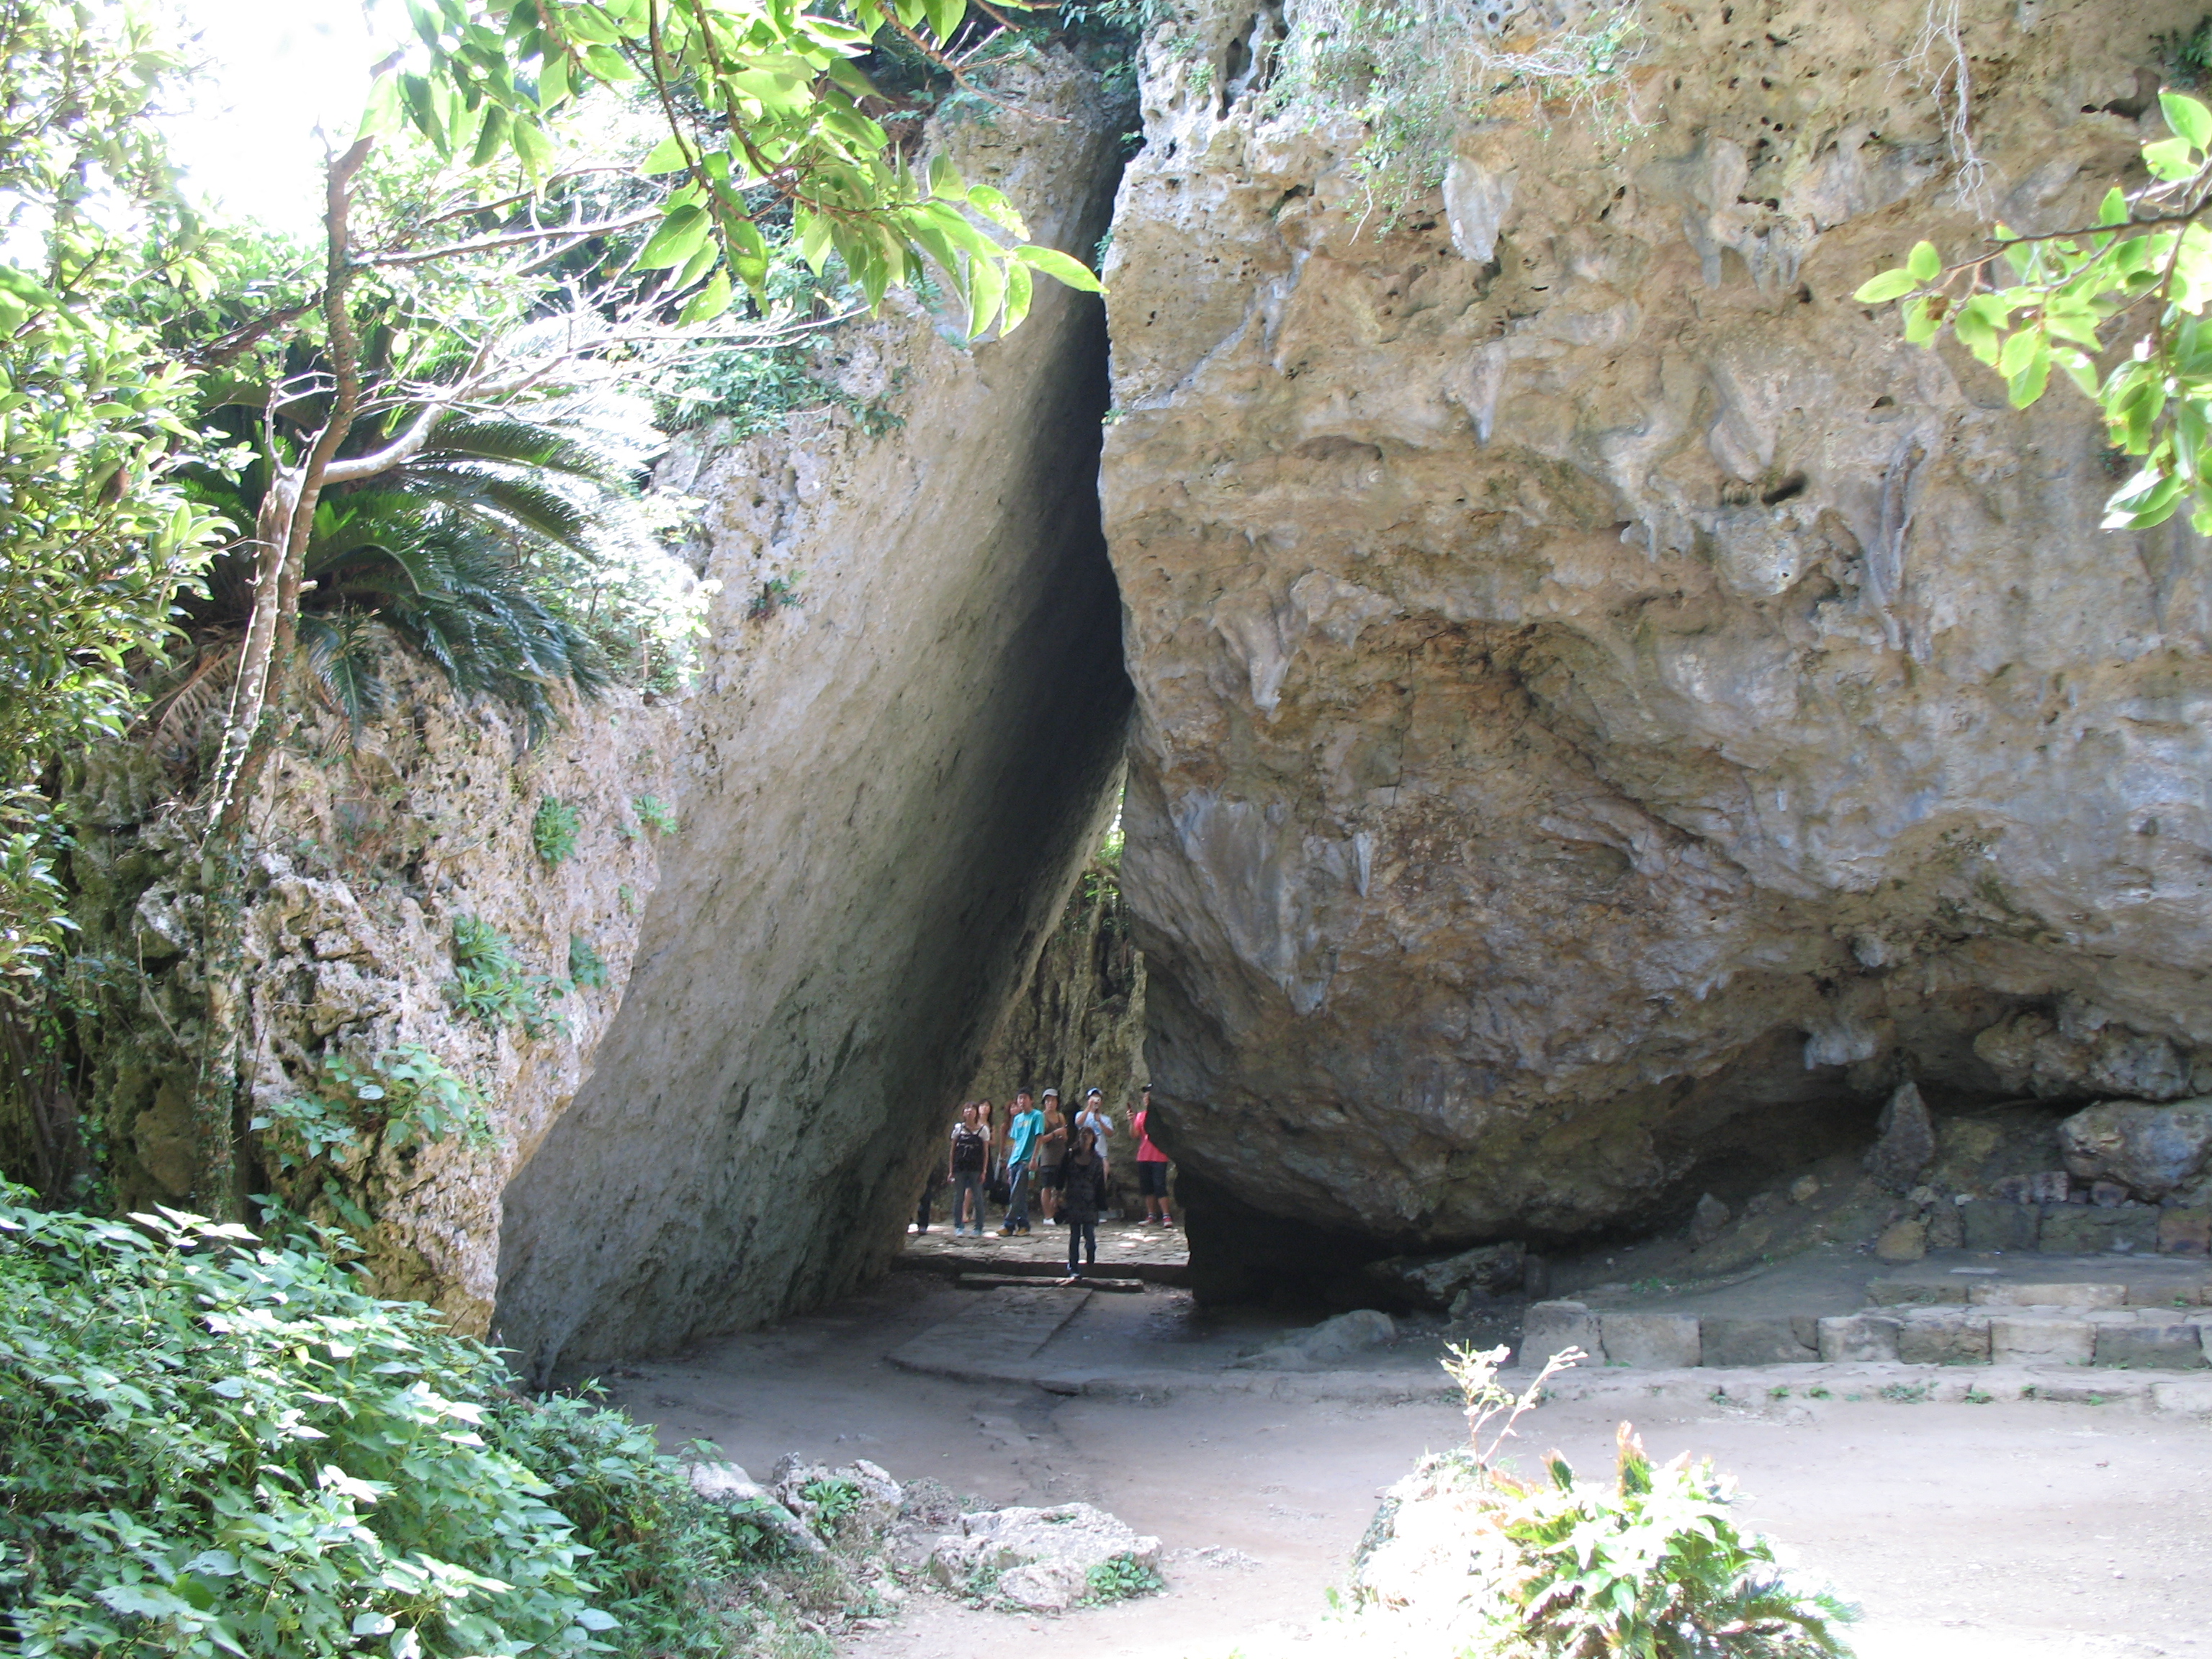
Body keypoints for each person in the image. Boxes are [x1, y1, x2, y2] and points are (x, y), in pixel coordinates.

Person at [1059, 1128, 1105, 1282]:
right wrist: (1057, 1194)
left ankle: (1091, 1253)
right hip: (1073, 1199)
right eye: (1083, 1134)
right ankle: (1073, 1267)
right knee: (1075, 1236)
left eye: (1089, 1134)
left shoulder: (1097, 1159)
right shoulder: (1070, 1155)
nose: (1086, 1137)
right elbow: (1061, 1175)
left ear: (1093, 1138)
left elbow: (1100, 1183)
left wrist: (1101, 1202)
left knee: (1089, 1235)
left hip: (1089, 1201)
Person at [998, 1088, 1043, 1236]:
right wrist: (1010, 1162)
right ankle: (1023, 1225)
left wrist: (1034, 1159)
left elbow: (1039, 1138)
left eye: (1024, 1098)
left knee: (1016, 1193)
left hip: (1027, 1160)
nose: (1022, 1101)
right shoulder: (1017, 1119)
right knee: (1019, 1194)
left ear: (1031, 1100)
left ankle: (1009, 1225)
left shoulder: (1037, 1116)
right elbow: (1016, 1141)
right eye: (1019, 1099)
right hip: (1015, 1160)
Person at [1131, 1083, 1174, 1227]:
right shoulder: (1141, 1116)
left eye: (1149, 1094)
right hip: (1143, 1156)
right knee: (1147, 1187)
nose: (1146, 1097)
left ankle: (1166, 1216)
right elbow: (1135, 1135)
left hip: (1159, 1156)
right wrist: (1132, 1121)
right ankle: (1151, 1215)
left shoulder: (1163, 1116)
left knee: (1160, 1185)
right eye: (1145, 1095)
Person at [948, 1102, 990, 1237]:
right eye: (966, 1109)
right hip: (960, 1168)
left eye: (972, 1109)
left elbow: (985, 1152)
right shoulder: (958, 1129)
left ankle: (979, 1227)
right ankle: (958, 1225)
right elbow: (953, 1151)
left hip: (975, 1169)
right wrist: (951, 1170)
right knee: (959, 1197)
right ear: (963, 1113)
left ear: (977, 1113)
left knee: (978, 1197)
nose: (969, 1111)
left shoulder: (983, 1130)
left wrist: (984, 1171)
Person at [1035, 1094, 1069, 1225]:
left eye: (1053, 1100)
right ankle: (1048, 1216)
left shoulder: (1060, 1116)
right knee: (1047, 1186)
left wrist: (1063, 1135)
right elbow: (1040, 1139)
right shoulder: (1041, 1118)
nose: (1050, 1103)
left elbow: (1065, 1136)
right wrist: (1055, 1133)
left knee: (1059, 1187)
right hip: (1048, 1157)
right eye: (1048, 1101)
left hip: (1061, 1155)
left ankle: (1056, 1213)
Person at [1075, 1087, 1114, 1182]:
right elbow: (1078, 1123)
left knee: (1101, 1180)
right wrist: (1089, 1107)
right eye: (1093, 1099)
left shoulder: (1106, 1119)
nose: (1095, 1102)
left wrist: (1100, 1121)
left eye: (1098, 1099)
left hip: (1101, 1154)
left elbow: (1110, 1134)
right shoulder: (1081, 1114)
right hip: (1085, 1154)